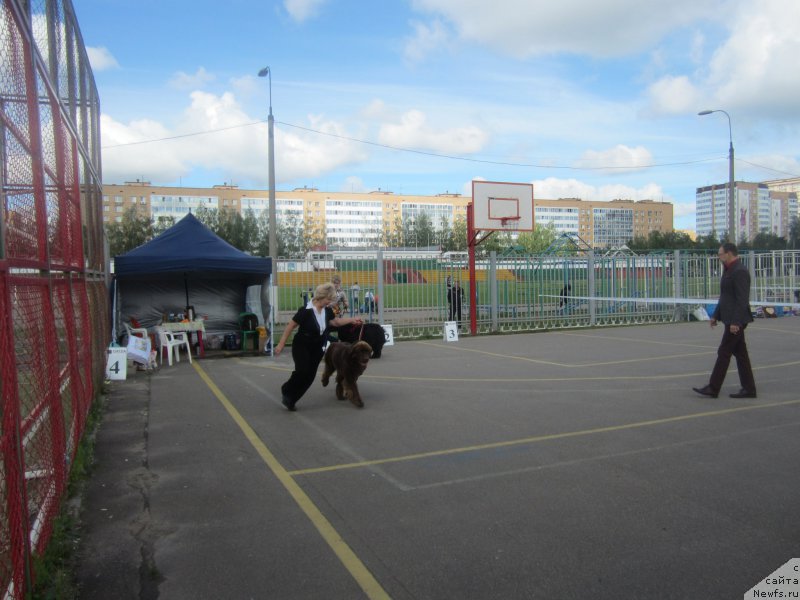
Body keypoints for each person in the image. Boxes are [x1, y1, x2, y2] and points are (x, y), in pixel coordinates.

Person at [274, 282, 362, 411]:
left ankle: (291, 399)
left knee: (310, 376)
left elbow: (336, 322)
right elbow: (290, 326)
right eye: (328, 299)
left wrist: (352, 320)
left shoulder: (327, 311)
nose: (329, 303)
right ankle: (287, 389)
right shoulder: (305, 311)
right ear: (321, 297)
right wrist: (281, 344)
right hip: (302, 345)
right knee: (302, 371)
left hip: (317, 347)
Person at [693, 243, 757, 399]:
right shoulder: (729, 270)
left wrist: (736, 322)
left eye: (720, 254)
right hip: (729, 318)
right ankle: (749, 389)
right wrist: (715, 315)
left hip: (736, 320)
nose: (719, 257)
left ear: (729, 254)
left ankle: (713, 388)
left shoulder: (740, 271)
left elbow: (742, 299)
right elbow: (725, 297)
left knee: (724, 351)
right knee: (740, 354)